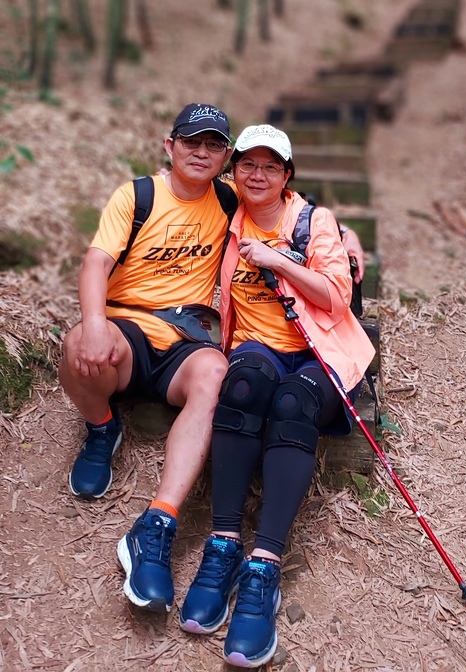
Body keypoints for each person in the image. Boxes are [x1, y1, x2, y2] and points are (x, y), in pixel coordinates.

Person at [59, 105, 365, 617]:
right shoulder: (140, 197)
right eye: (191, 143)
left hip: (190, 339)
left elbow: (301, 214)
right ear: (170, 146)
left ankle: (159, 521)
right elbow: (96, 261)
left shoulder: (229, 200)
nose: (201, 153)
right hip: (130, 326)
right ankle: (101, 428)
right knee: (76, 347)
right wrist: (92, 322)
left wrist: (349, 242)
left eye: (213, 146)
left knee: (220, 376)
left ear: (224, 157)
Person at [179, 124, 375, 668]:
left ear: (287, 175)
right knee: (243, 385)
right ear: (234, 171)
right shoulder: (228, 215)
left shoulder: (313, 221)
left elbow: (337, 298)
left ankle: (263, 564)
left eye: (270, 166)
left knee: (293, 402)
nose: (257, 175)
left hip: (320, 352)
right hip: (256, 344)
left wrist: (281, 260)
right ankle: (222, 547)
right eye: (247, 165)